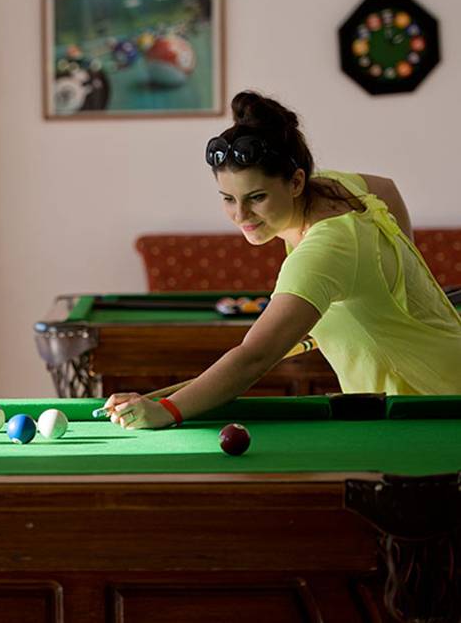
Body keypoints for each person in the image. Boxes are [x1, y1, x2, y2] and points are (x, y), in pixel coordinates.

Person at [106, 90, 461, 429]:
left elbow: (254, 357)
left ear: (295, 182)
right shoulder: (337, 188)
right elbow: (386, 187)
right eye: (228, 198)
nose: (241, 214)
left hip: (434, 405)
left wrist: (166, 410)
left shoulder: (325, 250)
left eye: (256, 197)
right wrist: (397, 288)